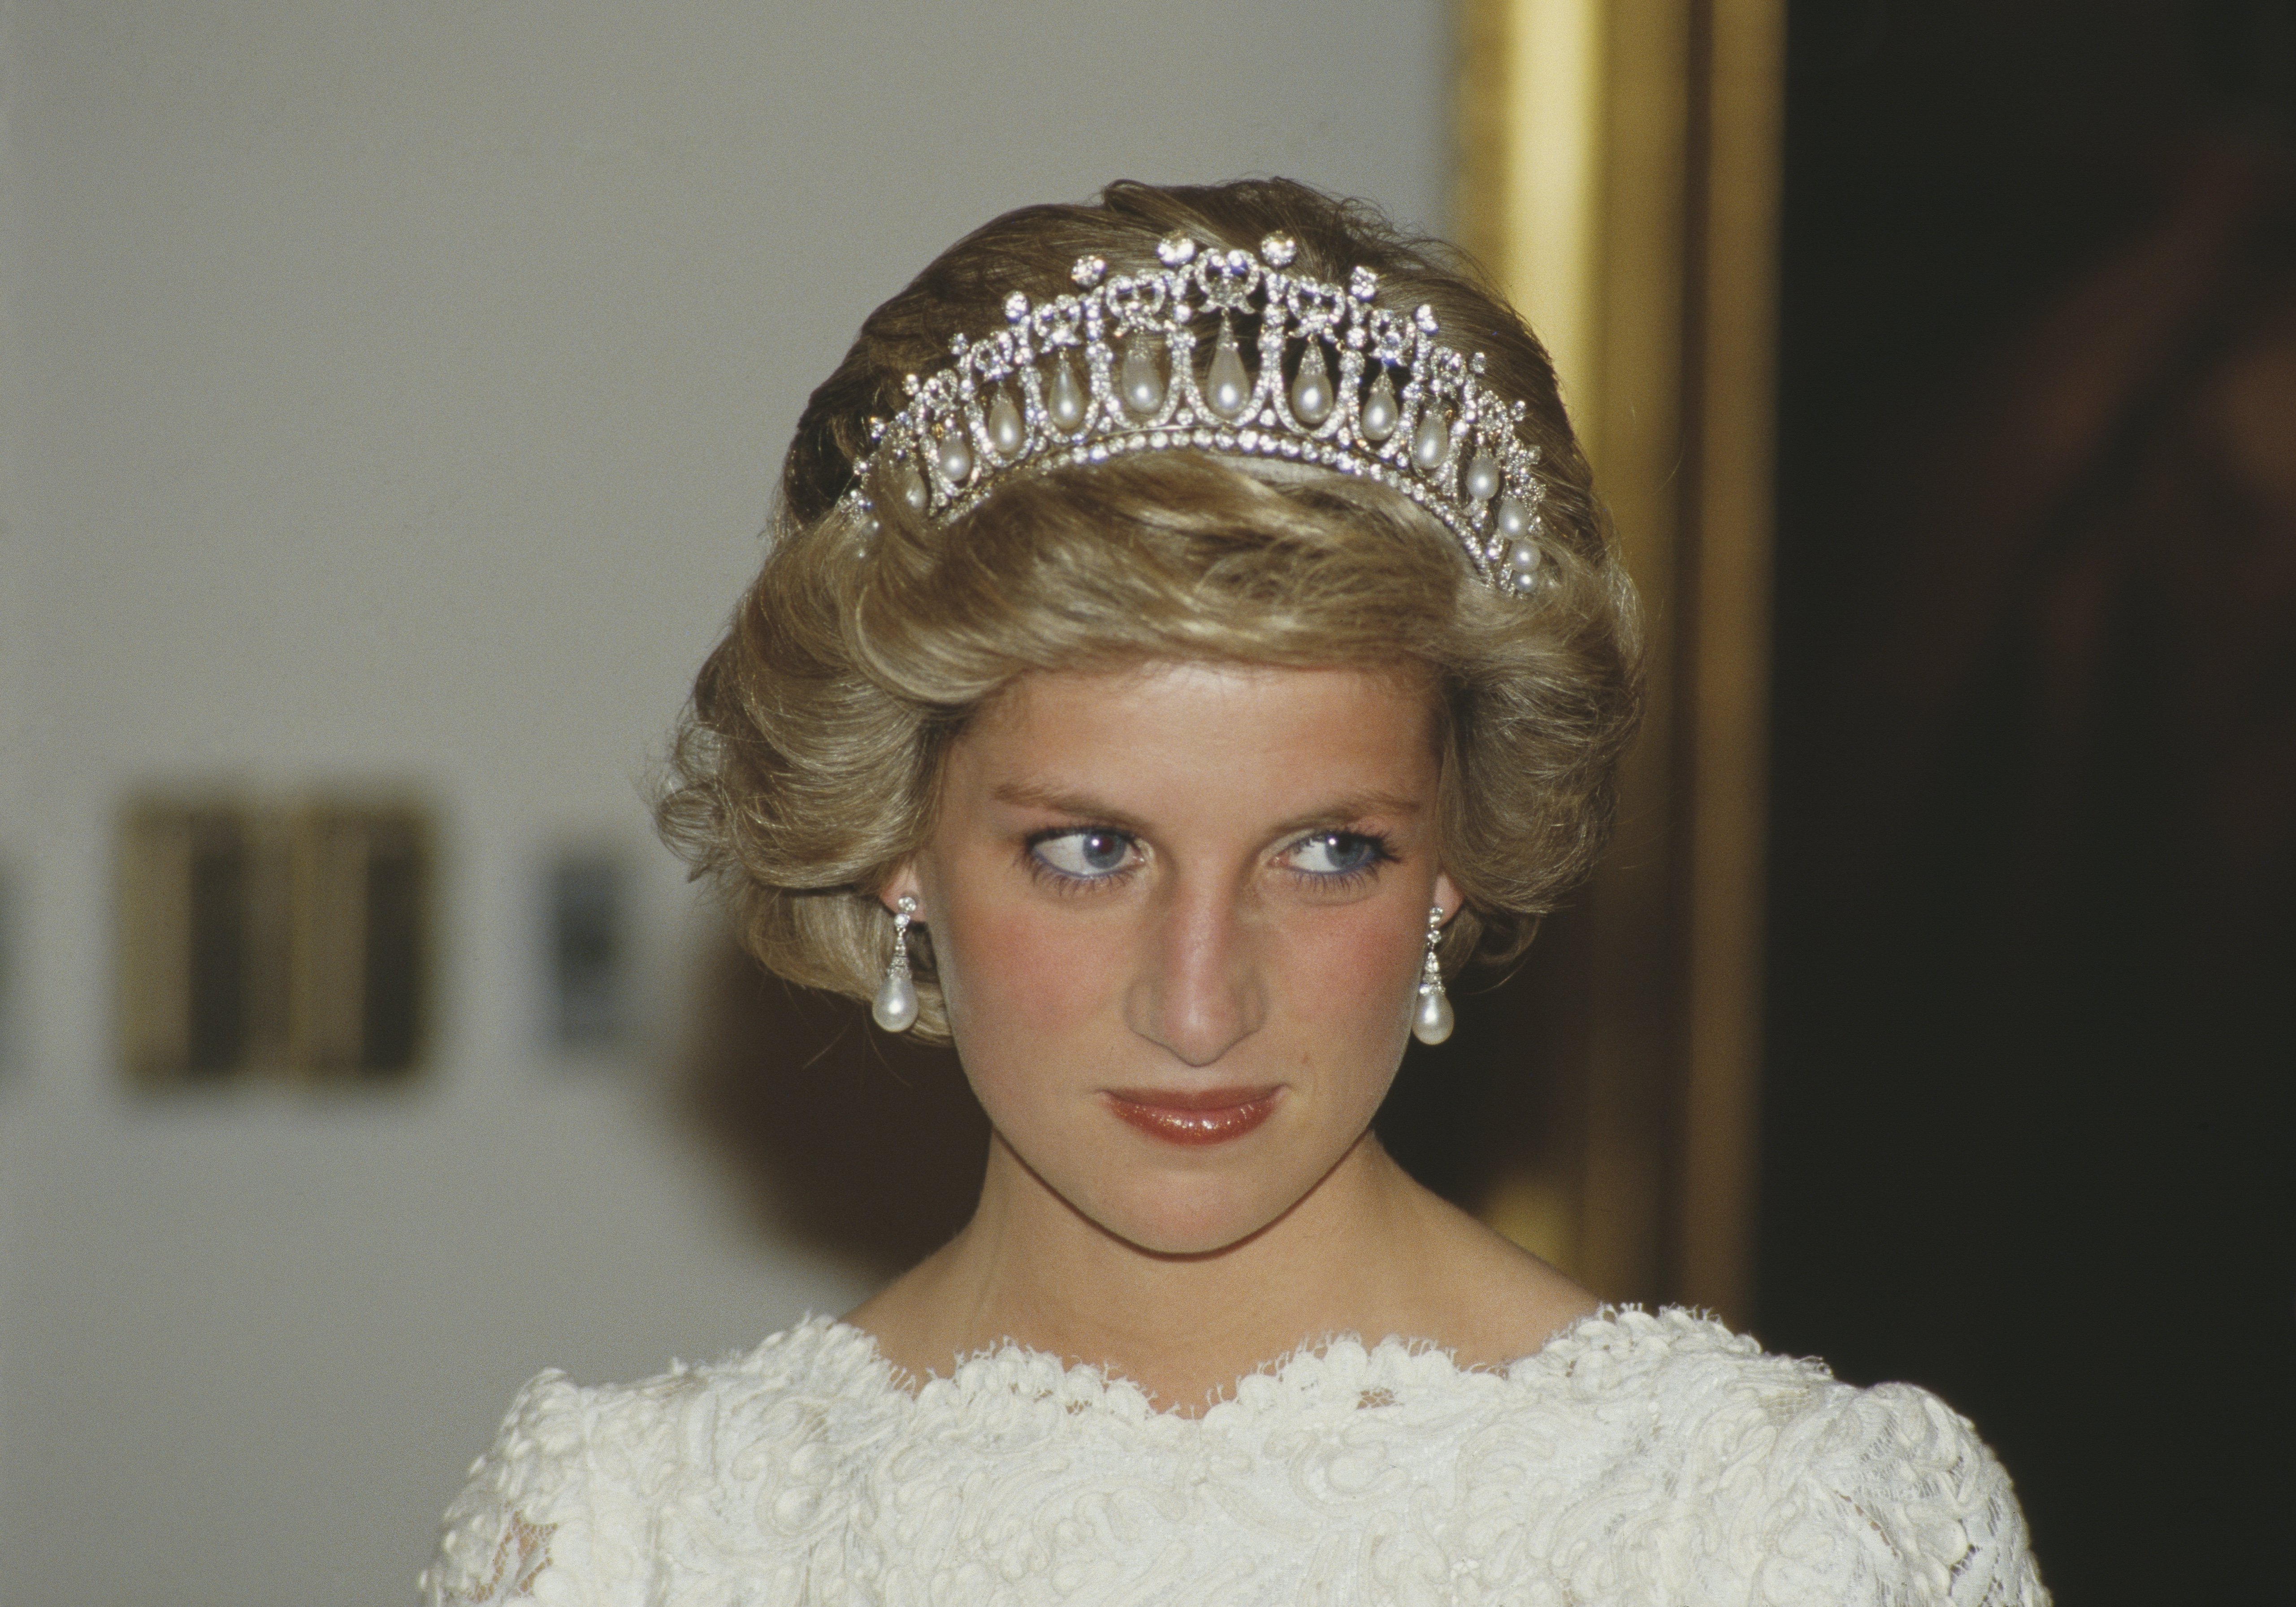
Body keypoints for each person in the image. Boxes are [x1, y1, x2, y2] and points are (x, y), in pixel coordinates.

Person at [420, 179, 2047, 1605]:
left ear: (1455, 857)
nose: (1200, 1004)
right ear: (894, 842)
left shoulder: (1781, 1538)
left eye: (1328, 850)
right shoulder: (620, 1541)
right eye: (1089, 848)